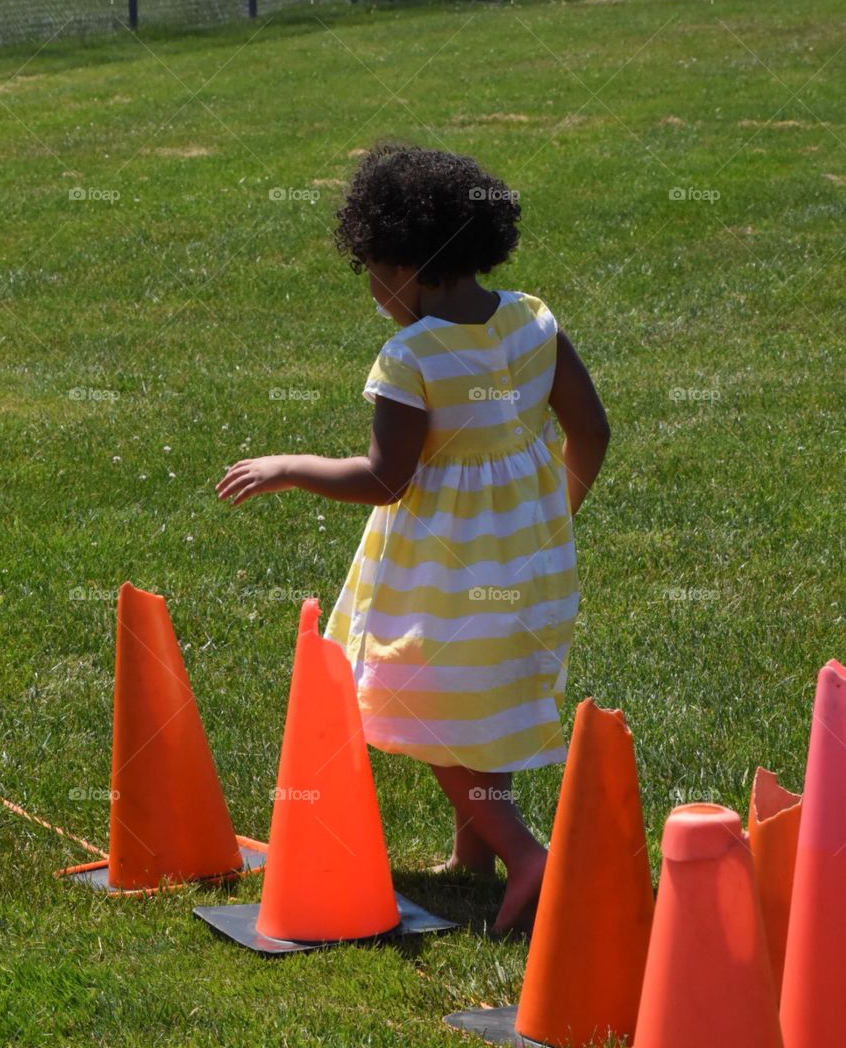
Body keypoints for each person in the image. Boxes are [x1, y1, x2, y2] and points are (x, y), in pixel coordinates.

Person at [216, 143, 610, 934]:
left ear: (406, 265)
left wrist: (291, 465)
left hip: (442, 570)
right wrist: (551, 520)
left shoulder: (410, 355)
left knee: (426, 704)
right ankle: (472, 856)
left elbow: (385, 478)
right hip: (529, 562)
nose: (369, 285)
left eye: (370, 266)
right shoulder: (532, 319)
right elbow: (590, 430)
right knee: (480, 698)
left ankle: (524, 854)